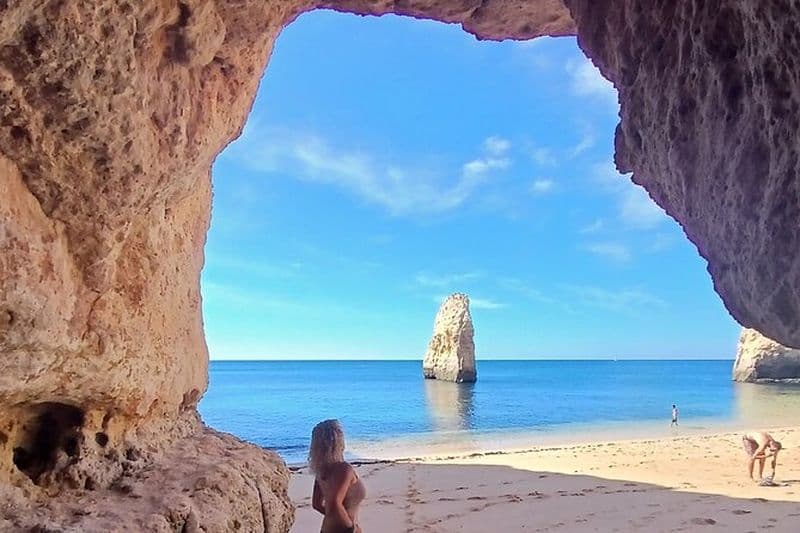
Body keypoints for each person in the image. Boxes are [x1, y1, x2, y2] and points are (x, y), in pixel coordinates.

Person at [309, 419, 366, 533]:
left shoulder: (322, 470)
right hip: (344, 529)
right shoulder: (344, 469)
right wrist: (352, 528)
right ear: (337, 441)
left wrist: (332, 515)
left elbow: (317, 504)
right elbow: (334, 502)